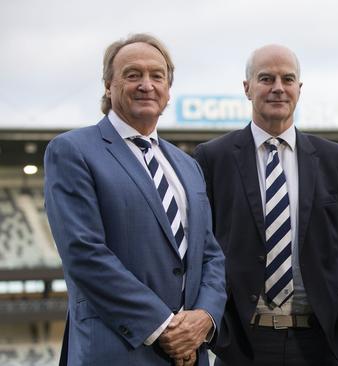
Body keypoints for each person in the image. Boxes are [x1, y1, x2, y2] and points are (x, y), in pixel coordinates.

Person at [44, 33, 227, 366]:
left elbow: (210, 253)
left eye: (157, 76)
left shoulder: (187, 165)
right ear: (108, 84)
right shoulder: (73, 151)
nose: (147, 84)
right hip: (116, 351)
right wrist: (164, 327)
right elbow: (84, 253)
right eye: (133, 74)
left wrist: (204, 317)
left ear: (168, 90)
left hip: (190, 353)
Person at [193, 44, 338, 366]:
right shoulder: (213, 158)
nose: (278, 88)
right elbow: (201, 250)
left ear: (299, 89)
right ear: (247, 88)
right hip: (242, 346)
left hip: (319, 345)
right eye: (266, 78)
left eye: (287, 79)